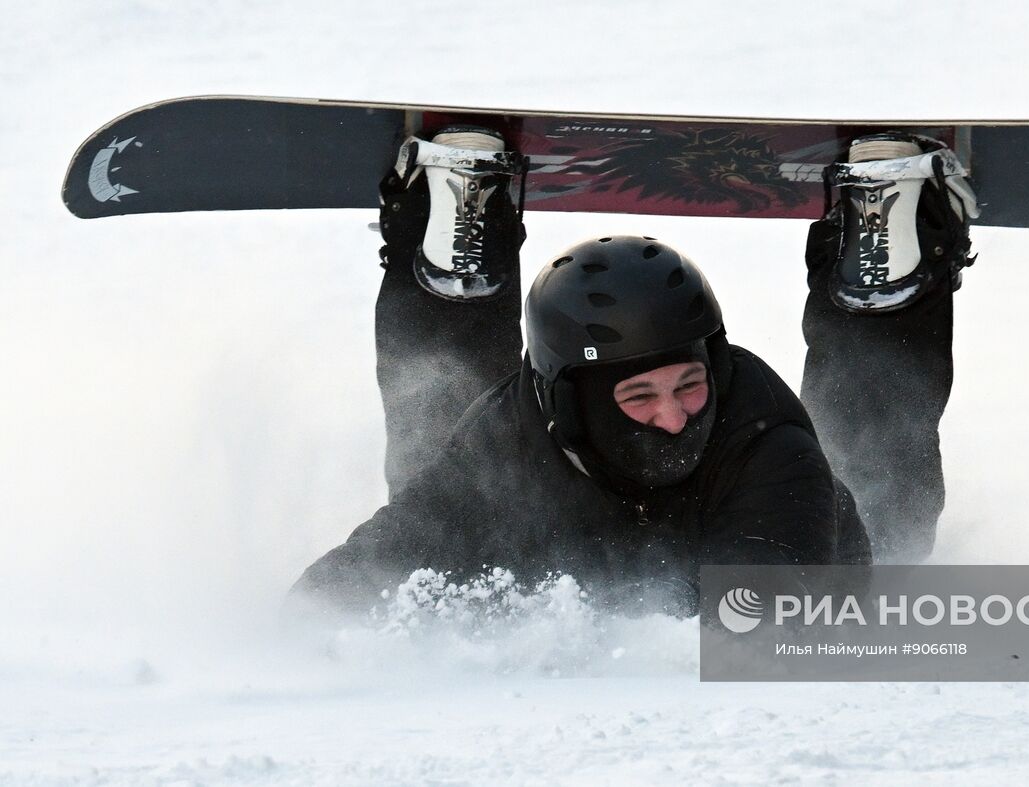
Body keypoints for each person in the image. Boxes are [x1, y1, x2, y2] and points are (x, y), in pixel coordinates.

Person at [290, 127, 973, 615]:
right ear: (573, 401)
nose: (675, 417)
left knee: (892, 529)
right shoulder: (503, 443)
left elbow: (756, 627)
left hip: (823, 558)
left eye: (690, 383)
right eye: (639, 395)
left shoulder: (768, 445)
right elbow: (340, 593)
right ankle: (458, 235)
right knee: (435, 463)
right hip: (537, 498)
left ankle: (887, 263)